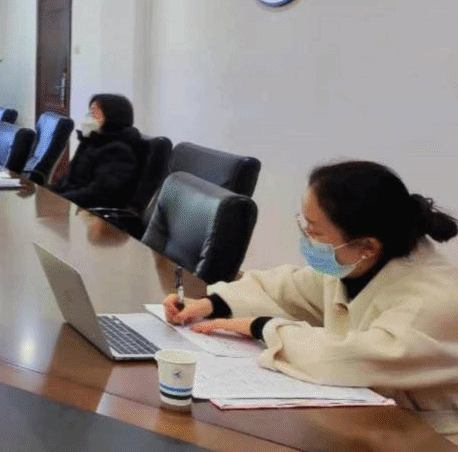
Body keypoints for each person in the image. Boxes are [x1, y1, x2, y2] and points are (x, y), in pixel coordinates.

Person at [165, 161, 458, 441]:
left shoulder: (432, 300)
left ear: (368, 246)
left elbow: (349, 359)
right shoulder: (354, 262)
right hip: (367, 420)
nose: (307, 237)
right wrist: (211, 304)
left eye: (315, 231)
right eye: (305, 225)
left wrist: (261, 327)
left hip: (428, 437)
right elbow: (287, 288)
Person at [49, 93, 142, 208]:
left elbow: (99, 193)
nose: (90, 117)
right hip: (73, 203)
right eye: (90, 112)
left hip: (91, 211)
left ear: (112, 116)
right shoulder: (90, 142)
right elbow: (70, 179)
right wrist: (48, 193)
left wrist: (60, 200)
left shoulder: (119, 151)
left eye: (94, 112)